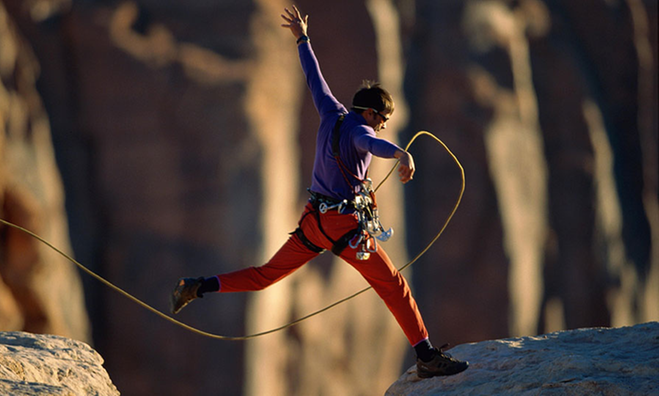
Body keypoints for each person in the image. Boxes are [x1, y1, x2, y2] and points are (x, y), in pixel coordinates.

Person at [171, 5, 468, 379]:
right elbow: (373, 146)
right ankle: (426, 356)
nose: (383, 125)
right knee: (394, 286)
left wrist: (302, 38)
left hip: (314, 224)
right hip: (343, 228)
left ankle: (198, 286)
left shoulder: (331, 112)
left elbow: (315, 77)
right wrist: (402, 153)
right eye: (384, 119)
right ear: (374, 114)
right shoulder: (363, 131)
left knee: (265, 276)